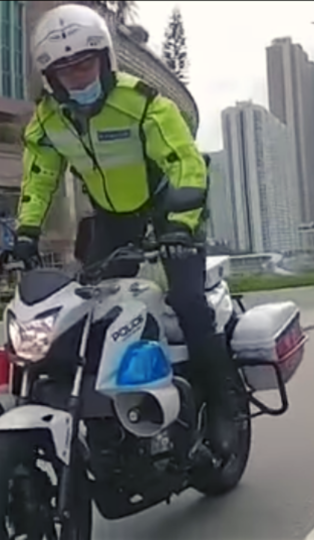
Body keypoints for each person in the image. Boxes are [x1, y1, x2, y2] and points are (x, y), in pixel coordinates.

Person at [13, 4, 243, 457]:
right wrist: (25, 233)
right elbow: (39, 177)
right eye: (64, 70)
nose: (77, 77)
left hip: (169, 212)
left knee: (187, 304)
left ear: (104, 59)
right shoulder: (48, 123)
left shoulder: (144, 105)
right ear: (50, 77)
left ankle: (223, 405)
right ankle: (107, 407)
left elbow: (186, 165)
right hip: (113, 219)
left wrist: (178, 226)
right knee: (88, 310)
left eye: (84, 63)